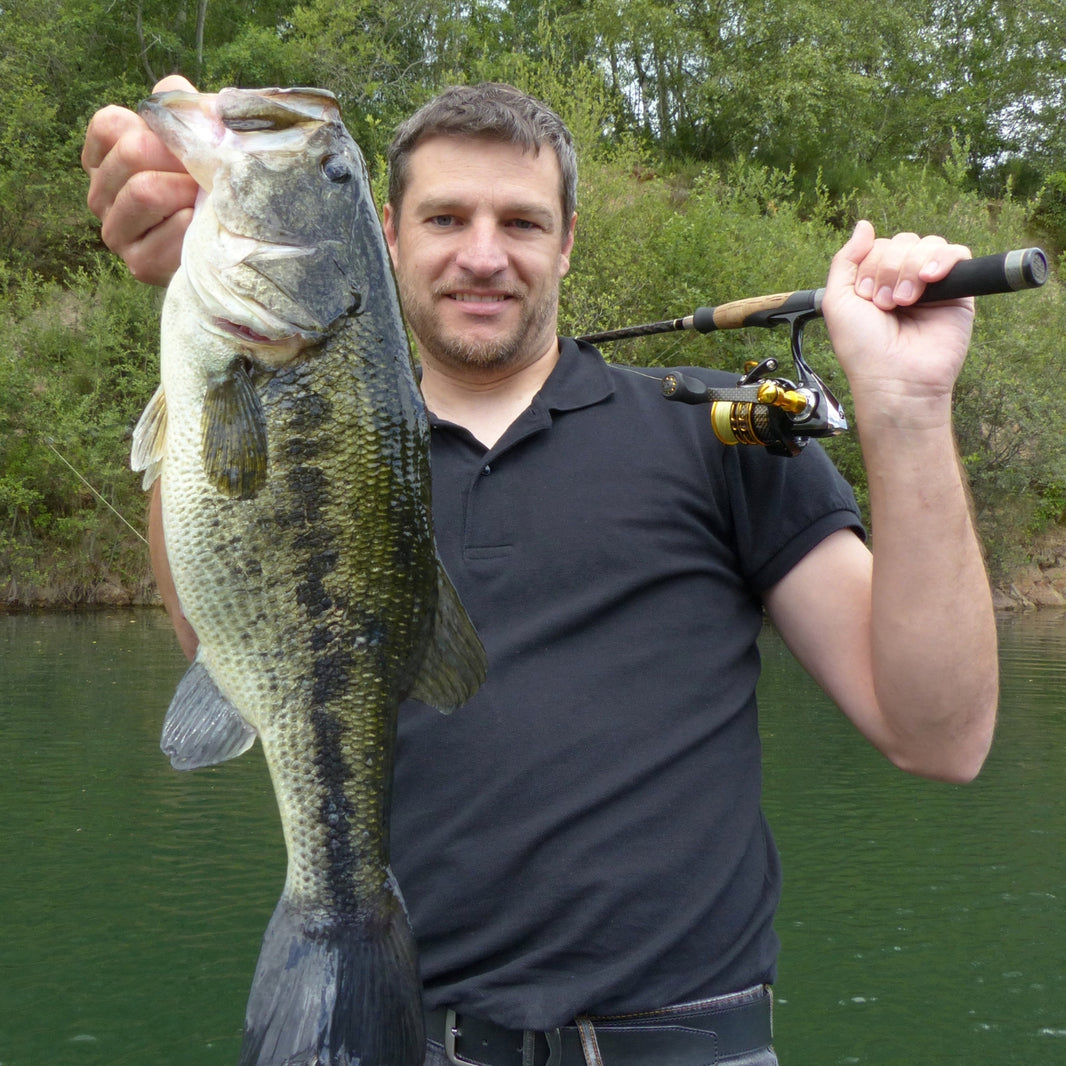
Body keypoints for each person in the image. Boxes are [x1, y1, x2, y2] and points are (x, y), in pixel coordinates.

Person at [82, 75, 998, 1066]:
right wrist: (198, 335)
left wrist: (906, 408)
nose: (484, 254)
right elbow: (212, 634)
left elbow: (938, 734)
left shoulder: (714, 430)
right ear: (386, 234)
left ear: (566, 241)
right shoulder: (317, 434)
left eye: (521, 221)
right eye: (445, 217)